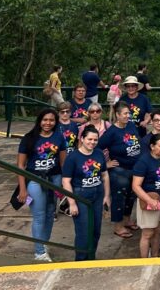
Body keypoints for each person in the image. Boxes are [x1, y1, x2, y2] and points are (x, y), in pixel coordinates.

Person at [16, 108, 67, 262]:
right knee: (39, 216)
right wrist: (23, 189)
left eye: (51, 120)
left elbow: (63, 164)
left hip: (55, 179)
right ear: (39, 121)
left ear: (55, 122)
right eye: (45, 120)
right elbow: (20, 165)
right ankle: (39, 252)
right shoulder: (29, 138)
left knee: (50, 214)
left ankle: (43, 244)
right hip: (34, 179)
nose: (48, 123)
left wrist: (65, 186)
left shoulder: (59, 137)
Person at [62, 125, 110, 261]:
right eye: (89, 139)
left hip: (97, 194)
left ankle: (91, 257)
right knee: (83, 231)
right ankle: (80, 261)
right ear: (82, 139)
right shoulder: (72, 157)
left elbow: (105, 175)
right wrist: (72, 203)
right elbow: (66, 181)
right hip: (80, 196)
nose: (92, 142)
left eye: (95, 140)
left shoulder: (99, 153)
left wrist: (106, 196)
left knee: (96, 230)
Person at [98, 102, 142, 238]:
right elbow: (97, 147)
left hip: (134, 167)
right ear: (117, 115)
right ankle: (118, 226)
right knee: (119, 197)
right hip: (119, 170)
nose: (127, 116)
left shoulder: (130, 125)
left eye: (128, 113)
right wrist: (106, 163)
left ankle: (127, 219)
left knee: (131, 195)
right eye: (124, 113)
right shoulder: (111, 132)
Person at [131, 133, 160, 258]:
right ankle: (144, 261)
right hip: (150, 201)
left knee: (158, 231)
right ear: (152, 146)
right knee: (148, 233)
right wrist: (149, 200)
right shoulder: (143, 162)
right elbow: (135, 186)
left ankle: (155, 257)